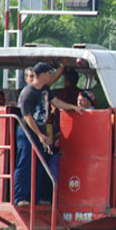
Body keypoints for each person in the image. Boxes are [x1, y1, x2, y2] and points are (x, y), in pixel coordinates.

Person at [14, 62, 83, 206]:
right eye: (48, 73)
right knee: (25, 164)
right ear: (43, 74)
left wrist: (72, 107)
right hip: (27, 133)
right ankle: (20, 198)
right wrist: (39, 134)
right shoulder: (28, 93)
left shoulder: (45, 90)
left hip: (41, 134)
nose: (50, 76)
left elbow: (56, 102)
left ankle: (36, 197)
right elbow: (27, 116)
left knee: (40, 164)